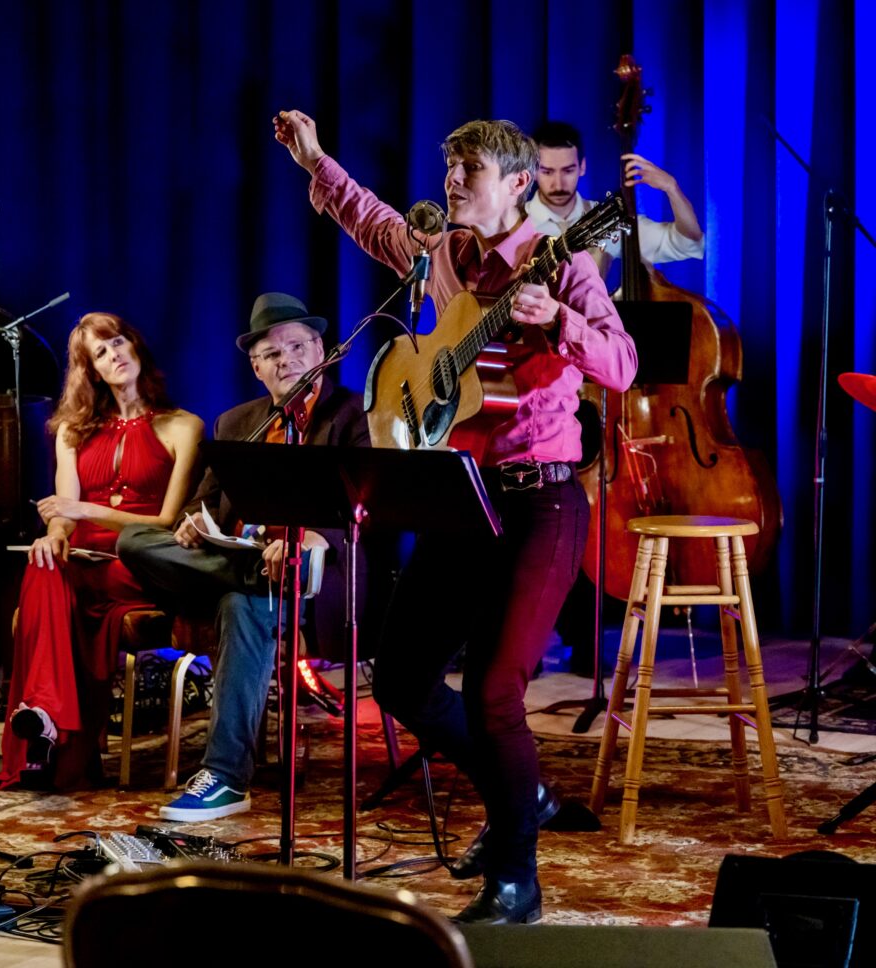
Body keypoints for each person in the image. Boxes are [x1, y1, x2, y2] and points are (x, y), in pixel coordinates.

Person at [274, 109, 636, 924]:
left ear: (516, 186)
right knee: (399, 676)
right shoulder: (441, 254)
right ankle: (524, 797)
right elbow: (373, 222)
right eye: (448, 173)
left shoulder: (564, 261)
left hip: (541, 498)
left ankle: (517, 879)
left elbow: (621, 364)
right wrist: (317, 159)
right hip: (459, 491)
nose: (450, 186)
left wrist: (563, 323)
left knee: (493, 690)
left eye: (466, 175)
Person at [117, 292, 370, 822]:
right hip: (246, 561)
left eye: (297, 347)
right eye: (272, 355)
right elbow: (203, 503)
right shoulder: (237, 421)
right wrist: (193, 525)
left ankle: (226, 780)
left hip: (320, 577)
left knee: (241, 604)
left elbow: (366, 505)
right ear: (256, 368)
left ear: (320, 349)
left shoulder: (352, 414)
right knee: (135, 542)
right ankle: (259, 574)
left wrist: (310, 540)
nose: (287, 361)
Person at [0, 312, 203, 791]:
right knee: (43, 564)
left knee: (56, 580)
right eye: (100, 353)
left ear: (137, 347)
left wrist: (80, 510)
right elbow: (62, 515)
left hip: (141, 559)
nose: (115, 355)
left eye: (119, 342)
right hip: (81, 563)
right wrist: (55, 534)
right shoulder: (72, 431)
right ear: (92, 371)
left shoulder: (183, 426)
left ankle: (45, 722)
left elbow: (166, 522)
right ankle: (44, 719)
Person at [526, 120, 704, 277]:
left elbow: (687, 242)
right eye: (547, 172)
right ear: (532, 170)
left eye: (568, 171)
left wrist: (671, 188)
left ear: (582, 167)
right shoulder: (514, 223)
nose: (558, 184)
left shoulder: (609, 221)